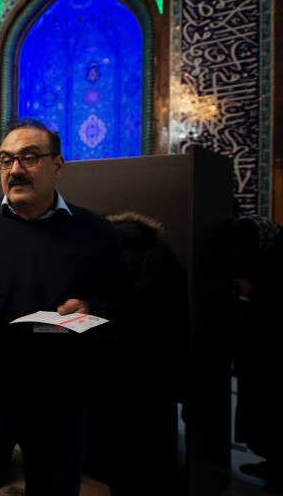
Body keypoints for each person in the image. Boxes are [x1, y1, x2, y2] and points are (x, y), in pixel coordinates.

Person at [0, 118, 135, 496]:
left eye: (29, 158)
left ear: (57, 166)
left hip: (60, 397)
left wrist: (89, 306)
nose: (15, 169)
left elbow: (122, 299)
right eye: (6, 160)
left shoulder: (95, 230)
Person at [84, 211, 188, 494]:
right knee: (150, 425)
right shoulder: (161, 252)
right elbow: (177, 306)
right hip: (152, 358)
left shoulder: (97, 253)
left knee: (107, 421)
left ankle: (105, 471)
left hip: (104, 353)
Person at [231, 209, 283, 494]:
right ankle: (271, 462)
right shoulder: (260, 258)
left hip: (272, 354)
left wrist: (255, 292)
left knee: (273, 412)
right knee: (259, 412)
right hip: (256, 350)